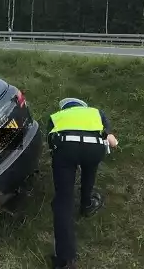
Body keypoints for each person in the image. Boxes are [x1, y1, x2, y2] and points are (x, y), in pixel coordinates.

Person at [47, 97, 119, 269]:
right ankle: (86, 204)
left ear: (64, 109)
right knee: (90, 170)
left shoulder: (55, 117)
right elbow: (111, 140)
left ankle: (66, 260)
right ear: (83, 107)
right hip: (93, 148)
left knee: (63, 200)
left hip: (65, 148)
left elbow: (51, 142)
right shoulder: (96, 113)